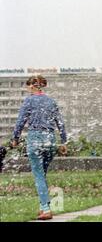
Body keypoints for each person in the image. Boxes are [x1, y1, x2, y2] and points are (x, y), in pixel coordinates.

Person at [11, 75, 68, 220]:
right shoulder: (51, 101)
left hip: (35, 139)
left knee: (38, 175)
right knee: (42, 174)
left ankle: (46, 209)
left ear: (31, 86)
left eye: (27, 86)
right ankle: (44, 205)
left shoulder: (29, 101)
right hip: (50, 139)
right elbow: (60, 123)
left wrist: (15, 138)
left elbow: (20, 121)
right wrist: (63, 142)